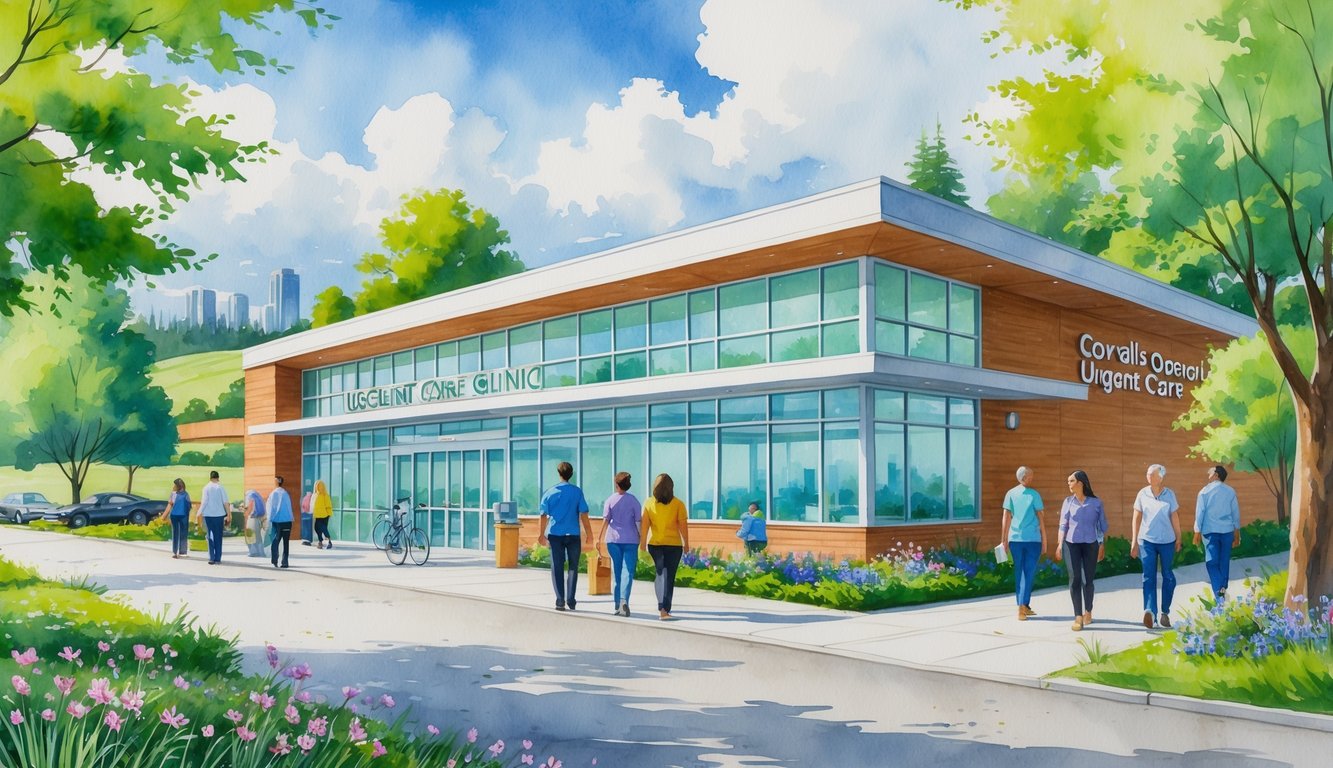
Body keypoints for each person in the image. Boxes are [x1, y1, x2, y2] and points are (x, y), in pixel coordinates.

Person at [1054, 470, 1106, 631]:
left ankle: (1088, 610)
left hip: (1091, 544)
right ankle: (1078, 616)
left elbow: (1101, 526)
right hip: (1071, 544)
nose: (1068, 484)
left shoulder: (1096, 503)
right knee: (1075, 578)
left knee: (1087, 580)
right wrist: (1059, 544)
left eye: (1071, 481)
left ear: (1080, 483)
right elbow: (1063, 524)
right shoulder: (1068, 502)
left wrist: (1101, 544)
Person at [537, 461, 592, 611]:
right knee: (573, 567)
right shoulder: (577, 492)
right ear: (571, 474)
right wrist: (589, 534)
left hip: (555, 534)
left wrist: (541, 534)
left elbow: (543, 516)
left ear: (559, 474)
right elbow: (584, 514)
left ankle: (560, 600)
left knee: (557, 567)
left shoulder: (550, 492)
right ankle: (571, 600)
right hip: (573, 534)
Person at [1132, 464, 1182, 628]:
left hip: (1167, 541)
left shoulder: (1170, 495)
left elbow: (1174, 517)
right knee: (1148, 576)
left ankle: (1165, 612)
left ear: (1160, 477)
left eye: (1151, 474)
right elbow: (1136, 518)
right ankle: (1149, 612)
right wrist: (1134, 541)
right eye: (1147, 474)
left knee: (1168, 576)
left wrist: (1178, 537)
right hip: (1146, 541)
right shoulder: (1142, 494)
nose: (1148, 477)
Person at [640, 473, 689, 621]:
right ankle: (664, 608)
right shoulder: (678, 504)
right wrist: (687, 543)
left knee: (661, 573)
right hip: (674, 546)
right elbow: (683, 527)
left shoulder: (648, 503)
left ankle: (662, 605)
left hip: (655, 545)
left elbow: (644, 526)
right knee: (669, 577)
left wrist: (642, 543)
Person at [1001, 466, 1046, 621]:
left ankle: (1024, 605)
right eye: (1030, 476)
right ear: (1024, 477)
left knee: (1020, 572)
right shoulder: (1034, 495)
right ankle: (1021, 607)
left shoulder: (1010, 494)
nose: (1032, 478)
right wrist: (1044, 539)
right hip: (1033, 539)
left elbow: (1005, 518)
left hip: (1015, 539)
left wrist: (1004, 539)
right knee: (1029, 573)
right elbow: (1041, 518)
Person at [596, 471, 642, 617]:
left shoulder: (610, 500)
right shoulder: (634, 501)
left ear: (616, 485)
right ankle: (624, 601)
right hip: (631, 540)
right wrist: (641, 537)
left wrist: (599, 538)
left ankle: (617, 605)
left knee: (617, 572)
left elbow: (605, 520)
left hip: (613, 540)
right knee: (628, 572)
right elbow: (638, 522)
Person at [1194, 464, 1241, 600]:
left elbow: (1200, 513)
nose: (1208, 473)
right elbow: (1235, 513)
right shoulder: (1230, 491)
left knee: (1211, 562)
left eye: (1211, 472)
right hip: (1227, 531)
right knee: (1224, 560)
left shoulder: (1204, 492)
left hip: (1210, 532)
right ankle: (1223, 587)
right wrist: (1237, 532)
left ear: (1216, 475)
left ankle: (1218, 590)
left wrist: (1197, 531)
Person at [196, 470, 230, 565]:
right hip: (219, 515)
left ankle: (211, 557)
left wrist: (199, 513)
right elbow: (226, 502)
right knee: (218, 536)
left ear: (210, 478)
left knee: (210, 535)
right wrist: (229, 515)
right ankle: (218, 558)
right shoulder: (221, 487)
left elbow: (204, 502)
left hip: (208, 515)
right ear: (218, 478)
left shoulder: (206, 488)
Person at [267, 476, 295, 569]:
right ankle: (285, 562)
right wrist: (291, 518)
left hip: (277, 521)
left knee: (276, 540)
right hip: (287, 521)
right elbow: (289, 507)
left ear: (276, 482)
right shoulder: (286, 493)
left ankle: (275, 560)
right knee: (286, 542)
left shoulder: (273, 494)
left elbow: (270, 508)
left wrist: (269, 520)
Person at [168, 479, 191, 559]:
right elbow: (189, 505)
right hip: (183, 515)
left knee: (175, 533)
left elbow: (170, 504)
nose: (173, 486)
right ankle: (182, 552)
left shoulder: (173, 494)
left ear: (178, 486)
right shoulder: (186, 494)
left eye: (174, 485)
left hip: (174, 515)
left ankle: (175, 552)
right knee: (183, 533)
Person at [243, 488, 267, 557]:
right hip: (257, 518)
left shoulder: (249, 496)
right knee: (257, 536)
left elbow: (250, 506)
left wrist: (246, 513)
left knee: (250, 535)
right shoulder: (256, 496)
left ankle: (254, 552)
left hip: (252, 517)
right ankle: (260, 552)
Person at [312, 479, 334, 549]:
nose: (317, 487)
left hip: (325, 515)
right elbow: (312, 505)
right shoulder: (315, 495)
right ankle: (320, 541)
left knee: (323, 529)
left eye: (319, 485)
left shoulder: (325, 495)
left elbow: (328, 505)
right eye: (317, 486)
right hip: (317, 515)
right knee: (317, 528)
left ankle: (329, 541)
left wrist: (329, 514)